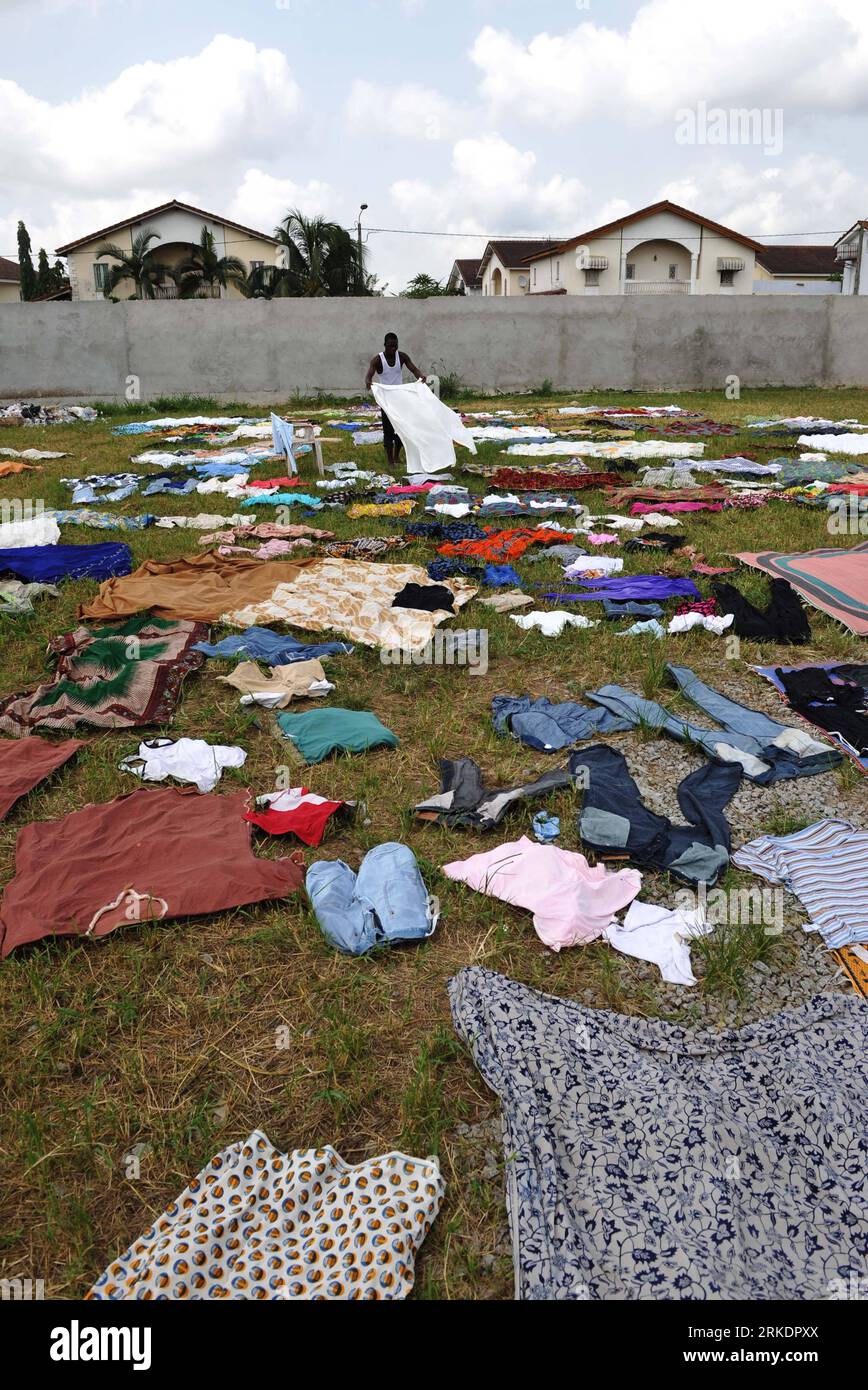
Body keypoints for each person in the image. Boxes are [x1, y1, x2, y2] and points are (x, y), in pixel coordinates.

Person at [365, 332, 425, 469]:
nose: (393, 348)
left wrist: (421, 376)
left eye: (395, 345)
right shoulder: (377, 360)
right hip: (386, 401)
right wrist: (368, 382)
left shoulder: (402, 357)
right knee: (388, 430)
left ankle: (397, 455)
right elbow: (369, 375)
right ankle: (390, 460)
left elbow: (414, 369)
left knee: (402, 429)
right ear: (385, 345)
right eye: (391, 346)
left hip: (400, 399)